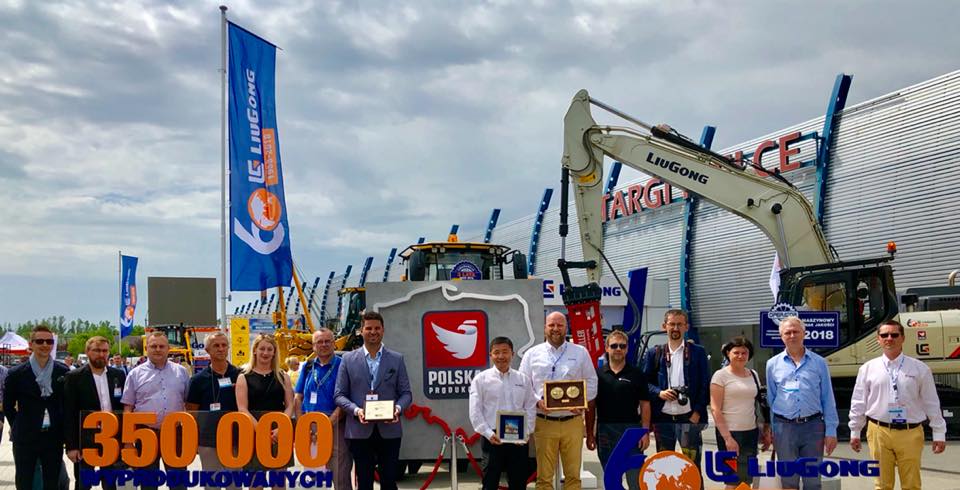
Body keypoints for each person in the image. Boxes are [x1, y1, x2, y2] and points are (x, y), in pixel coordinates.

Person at [848, 320, 947, 490]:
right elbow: (858, 401)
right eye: (884, 335)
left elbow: (931, 402)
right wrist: (855, 430)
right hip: (878, 431)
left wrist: (939, 433)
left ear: (903, 338)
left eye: (894, 335)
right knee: (882, 485)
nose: (889, 338)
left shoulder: (919, 368)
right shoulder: (868, 368)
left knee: (912, 485)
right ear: (878, 339)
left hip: (910, 433)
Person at [519, 311, 598, 490]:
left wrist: (582, 402)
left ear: (566, 328)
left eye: (560, 325)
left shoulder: (580, 352)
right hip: (544, 422)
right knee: (544, 478)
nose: (555, 329)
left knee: (573, 477)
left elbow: (592, 381)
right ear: (545, 328)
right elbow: (523, 385)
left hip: (573, 422)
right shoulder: (532, 354)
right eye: (551, 325)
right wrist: (537, 401)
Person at [334, 311, 413, 490]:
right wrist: (356, 411)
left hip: (389, 430)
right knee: (364, 483)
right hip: (359, 430)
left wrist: (397, 409)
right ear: (361, 331)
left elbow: (406, 393)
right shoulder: (347, 359)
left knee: (389, 481)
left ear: (383, 330)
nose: (373, 332)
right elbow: (339, 395)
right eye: (368, 328)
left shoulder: (397, 359)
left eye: (377, 328)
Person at [766, 316, 839, 490]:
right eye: (787, 333)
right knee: (788, 480)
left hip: (813, 427)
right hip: (784, 428)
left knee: (812, 480)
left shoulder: (819, 363)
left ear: (804, 334)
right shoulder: (772, 364)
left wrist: (831, 430)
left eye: (796, 332)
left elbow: (827, 398)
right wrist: (773, 430)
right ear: (781, 336)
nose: (792, 336)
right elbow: (771, 398)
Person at [642, 309, 710, 474]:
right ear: (664, 326)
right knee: (664, 467)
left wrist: (697, 413)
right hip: (663, 418)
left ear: (686, 327)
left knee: (692, 466)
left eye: (679, 324)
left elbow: (705, 385)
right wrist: (659, 393)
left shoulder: (697, 352)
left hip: (689, 418)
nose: (675, 328)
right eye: (672, 324)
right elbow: (644, 383)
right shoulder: (654, 353)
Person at [3, 325, 70, 489]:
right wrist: (19, 424)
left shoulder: (62, 371)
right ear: (31, 344)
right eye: (40, 341)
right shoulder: (16, 373)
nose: (45, 345)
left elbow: (67, 404)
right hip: (25, 437)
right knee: (24, 481)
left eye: (49, 341)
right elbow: (8, 406)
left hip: (53, 437)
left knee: (52, 481)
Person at [121, 332, 191, 490]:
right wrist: (128, 441)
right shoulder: (135, 374)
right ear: (147, 348)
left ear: (168, 348)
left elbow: (188, 404)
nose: (158, 349)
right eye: (153, 346)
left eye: (161, 346)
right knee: (148, 484)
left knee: (179, 484)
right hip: (145, 434)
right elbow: (128, 408)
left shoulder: (181, 372)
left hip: (174, 434)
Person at [469, 336, 537, 490]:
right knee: (490, 483)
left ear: (512, 354)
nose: (501, 356)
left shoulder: (523, 379)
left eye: (505, 352)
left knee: (518, 483)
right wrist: (488, 433)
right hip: (493, 438)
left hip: (519, 439)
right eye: (496, 352)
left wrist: (527, 431)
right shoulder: (481, 380)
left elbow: (531, 407)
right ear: (490, 355)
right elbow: (475, 411)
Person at [587, 330, 650, 490]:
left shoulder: (637, 374)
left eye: (622, 346)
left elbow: (645, 404)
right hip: (605, 431)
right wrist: (590, 433)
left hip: (631, 432)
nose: (618, 349)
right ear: (607, 348)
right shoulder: (597, 375)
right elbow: (591, 406)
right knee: (611, 479)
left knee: (635, 480)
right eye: (614, 346)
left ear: (627, 349)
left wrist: (645, 431)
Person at [63, 336, 127, 490]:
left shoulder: (118, 375)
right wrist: (71, 446)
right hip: (85, 441)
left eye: (105, 351)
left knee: (111, 484)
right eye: (97, 350)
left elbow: (124, 408)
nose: (101, 354)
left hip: (112, 439)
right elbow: (68, 413)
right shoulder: (74, 377)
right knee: (84, 484)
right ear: (87, 352)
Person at [294, 328, 353, 490]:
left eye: (328, 341)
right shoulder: (308, 366)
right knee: (313, 478)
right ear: (313, 346)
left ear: (334, 344)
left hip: (335, 424)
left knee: (340, 475)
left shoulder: (343, 365)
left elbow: (346, 399)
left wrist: (326, 425)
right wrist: (302, 425)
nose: (324, 345)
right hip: (309, 425)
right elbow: (298, 397)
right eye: (319, 342)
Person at [236, 334, 295, 490]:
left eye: (270, 349)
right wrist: (262, 431)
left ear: (274, 353)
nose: (265, 353)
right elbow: (242, 408)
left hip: (279, 432)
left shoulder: (283, 376)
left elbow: (290, 405)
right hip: (253, 431)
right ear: (255, 350)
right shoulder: (244, 377)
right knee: (256, 484)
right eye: (262, 348)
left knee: (279, 484)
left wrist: (281, 427)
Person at [710, 336, 770, 489]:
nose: (740, 356)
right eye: (736, 352)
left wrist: (765, 430)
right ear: (728, 353)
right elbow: (715, 409)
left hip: (750, 433)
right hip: (730, 433)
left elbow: (759, 403)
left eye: (744, 353)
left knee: (746, 480)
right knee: (732, 480)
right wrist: (728, 438)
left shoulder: (753, 374)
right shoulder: (720, 376)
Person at [185, 332, 242, 490]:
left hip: (235, 439)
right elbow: (192, 412)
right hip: (208, 440)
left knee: (234, 485)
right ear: (207, 350)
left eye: (224, 345)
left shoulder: (240, 375)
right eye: (216, 345)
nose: (221, 349)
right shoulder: (197, 380)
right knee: (211, 485)